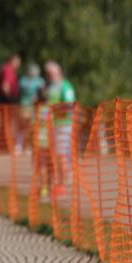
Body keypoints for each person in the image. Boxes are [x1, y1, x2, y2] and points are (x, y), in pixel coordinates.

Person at [44, 61, 77, 198]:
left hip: (64, 125)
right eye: (48, 73)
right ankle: (55, 183)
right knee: (54, 155)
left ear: (59, 72)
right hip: (52, 125)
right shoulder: (50, 87)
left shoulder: (66, 86)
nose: (50, 76)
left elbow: (69, 105)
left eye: (52, 73)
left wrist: (54, 109)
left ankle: (62, 184)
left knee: (61, 155)